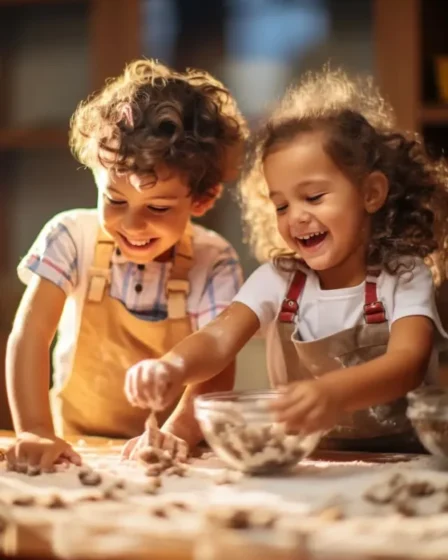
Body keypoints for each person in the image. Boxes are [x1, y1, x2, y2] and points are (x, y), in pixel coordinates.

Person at [124, 67, 448, 453]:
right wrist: (172, 367)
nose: (295, 216)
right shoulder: (279, 280)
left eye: (313, 198)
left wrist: (332, 393)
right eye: (281, 205)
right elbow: (217, 339)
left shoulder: (404, 274)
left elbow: (407, 363)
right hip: (309, 459)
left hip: (403, 458)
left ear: (371, 193)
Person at [5, 59, 246, 473]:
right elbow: (30, 337)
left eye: (157, 207)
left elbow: (218, 365)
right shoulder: (70, 237)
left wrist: (177, 433)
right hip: (76, 446)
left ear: (201, 200)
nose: (132, 224)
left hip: (172, 452)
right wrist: (35, 430)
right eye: (115, 200)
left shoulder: (215, 259)